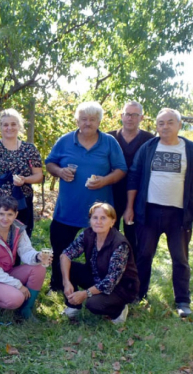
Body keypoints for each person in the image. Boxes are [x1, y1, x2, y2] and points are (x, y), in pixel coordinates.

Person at [45, 101, 127, 292]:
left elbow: (121, 169)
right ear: (77, 120)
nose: (88, 123)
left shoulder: (109, 142)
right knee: (60, 247)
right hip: (69, 207)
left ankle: (103, 287)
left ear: (99, 121)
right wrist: (59, 171)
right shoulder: (65, 140)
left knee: (104, 251)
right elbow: (49, 163)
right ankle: (57, 284)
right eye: (84, 119)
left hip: (100, 212)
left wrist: (104, 181)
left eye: (92, 119)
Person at [124, 108, 193, 318]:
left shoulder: (190, 150)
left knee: (180, 258)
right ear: (156, 126)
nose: (165, 127)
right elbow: (134, 177)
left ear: (179, 125)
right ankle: (139, 294)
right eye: (161, 123)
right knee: (144, 255)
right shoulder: (148, 148)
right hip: (148, 212)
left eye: (170, 122)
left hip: (179, 215)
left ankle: (182, 300)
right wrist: (129, 207)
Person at [60, 203, 139, 324]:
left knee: (93, 304)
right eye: (95, 218)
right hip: (97, 276)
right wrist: (66, 282)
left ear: (112, 222)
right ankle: (73, 305)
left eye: (103, 218)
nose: (98, 222)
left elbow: (110, 281)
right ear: (90, 220)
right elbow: (65, 255)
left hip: (120, 287)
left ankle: (119, 309)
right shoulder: (88, 234)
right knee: (62, 266)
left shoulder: (119, 244)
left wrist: (85, 294)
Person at [0, 196, 48, 320]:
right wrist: (18, 285)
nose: (5, 219)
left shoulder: (18, 228)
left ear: (16, 214)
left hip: (6, 274)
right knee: (16, 298)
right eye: (1, 214)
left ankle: (26, 309)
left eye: (10, 214)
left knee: (39, 268)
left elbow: (26, 251)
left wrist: (37, 256)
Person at [0, 108, 43, 237]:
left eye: (13, 124)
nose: (9, 128)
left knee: (17, 239)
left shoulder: (29, 149)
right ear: (0, 128)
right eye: (5, 125)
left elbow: (39, 175)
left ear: (19, 126)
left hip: (19, 203)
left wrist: (25, 180)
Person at [108, 101, 154, 257]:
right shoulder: (109, 137)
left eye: (135, 115)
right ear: (121, 116)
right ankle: (107, 270)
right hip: (111, 193)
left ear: (141, 118)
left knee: (132, 238)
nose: (130, 118)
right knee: (108, 233)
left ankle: (130, 274)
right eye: (127, 114)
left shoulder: (149, 140)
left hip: (137, 196)